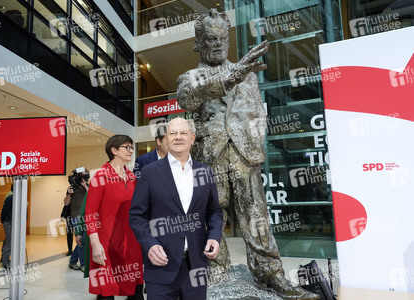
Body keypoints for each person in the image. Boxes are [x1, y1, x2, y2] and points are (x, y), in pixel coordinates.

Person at [176, 9, 319, 300]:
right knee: (210, 215)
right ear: (198, 43)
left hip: (244, 154)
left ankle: (271, 274)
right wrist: (232, 75)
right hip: (210, 155)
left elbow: (256, 113)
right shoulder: (190, 76)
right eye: (211, 39)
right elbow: (187, 97)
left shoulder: (248, 75)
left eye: (222, 38)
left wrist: (255, 148)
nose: (217, 44)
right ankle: (216, 270)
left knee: (256, 215)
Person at [129, 118, 223, 300]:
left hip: (196, 265)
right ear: (166, 138)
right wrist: (149, 244)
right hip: (160, 264)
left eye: (183, 133)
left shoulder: (205, 172)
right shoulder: (149, 172)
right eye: (173, 133)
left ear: (192, 138)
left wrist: (214, 236)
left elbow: (215, 212)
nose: (178, 137)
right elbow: (136, 215)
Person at [85, 135, 144, 300]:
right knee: (106, 291)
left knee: (135, 290)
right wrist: (95, 244)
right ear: (114, 150)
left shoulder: (132, 177)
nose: (131, 151)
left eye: (132, 147)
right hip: (105, 243)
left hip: (131, 242)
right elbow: (90, 213)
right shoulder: (100, 176)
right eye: (127, 147)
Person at [64, 169, 89, 271]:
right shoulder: (72, 188)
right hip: (76, 217)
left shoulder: (89, 186)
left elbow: (92, 196)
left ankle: (73, 261)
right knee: (81, 240)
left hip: (87, 216)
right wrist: (69, 194)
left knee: (82, 240)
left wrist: (85, 186)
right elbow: (66, 203)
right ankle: (83, 264)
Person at [0, 185, 13, 269]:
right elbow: (4, 211)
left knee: (10, 242)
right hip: (9, 222)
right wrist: (3, 220)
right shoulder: (11, 198)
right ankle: (5, 263)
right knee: (9, 242)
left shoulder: (17, 197)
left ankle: (7, 260)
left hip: (12, 223)